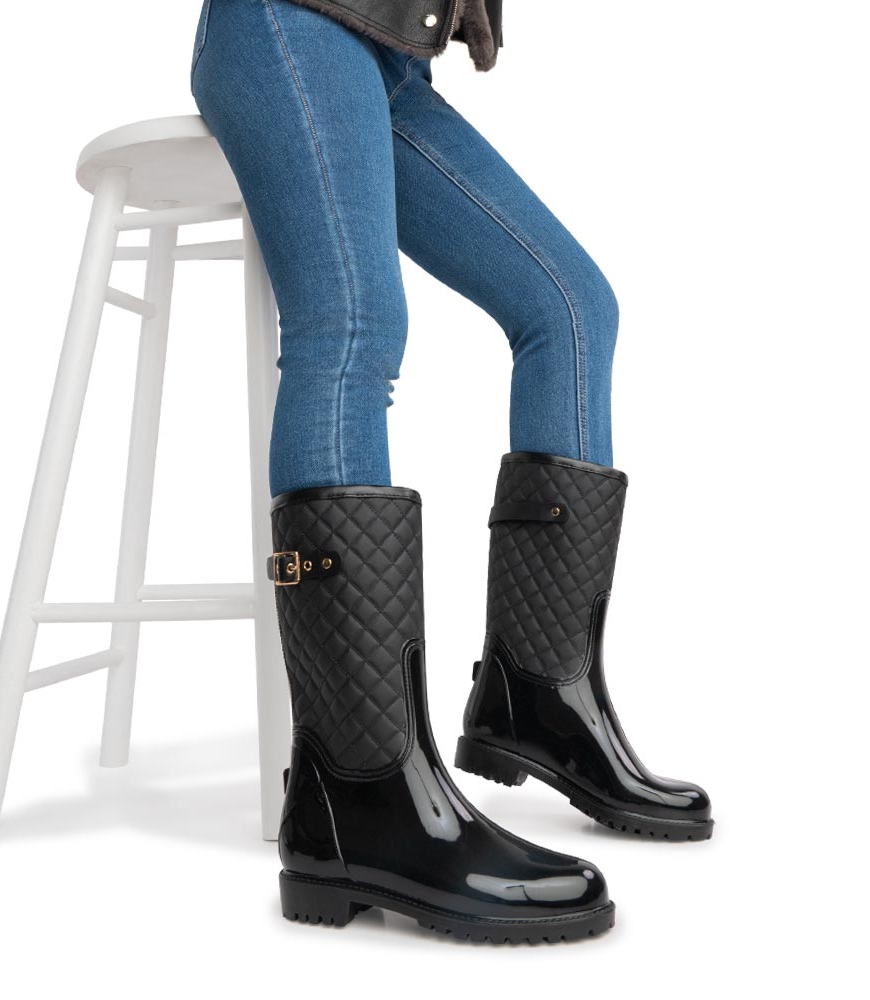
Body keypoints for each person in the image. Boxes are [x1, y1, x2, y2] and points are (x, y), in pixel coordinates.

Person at [190, 0, 712, 944]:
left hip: (390, 60)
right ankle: (360, 789)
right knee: (352, 325)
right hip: (287, 22)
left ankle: (540, 694)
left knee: (572, 310)